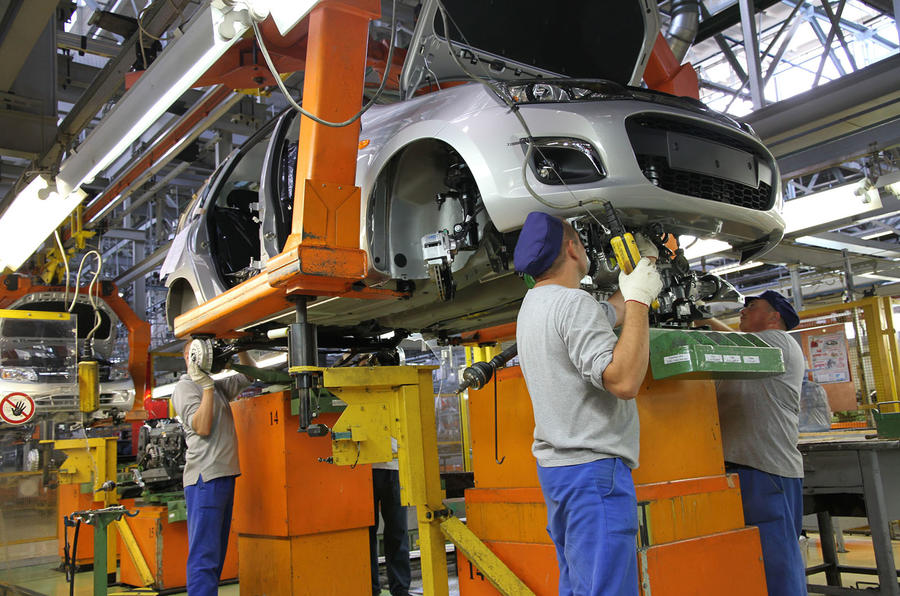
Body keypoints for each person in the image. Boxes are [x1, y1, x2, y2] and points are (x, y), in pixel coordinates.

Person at [514, 211, 662, 596]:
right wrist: (641, 301)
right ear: (572, 248)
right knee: (606, 588)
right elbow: (624, 381)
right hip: (593, 474)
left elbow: (608, 312)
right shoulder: (573, 304)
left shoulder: (534, 305)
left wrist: (641, 274)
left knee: (583, 585)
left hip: (560, 474)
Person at [699, 291, 806, 596]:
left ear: (775, 318)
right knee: (746, 564)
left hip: (766, 470)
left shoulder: (780, 342)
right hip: (736, 470)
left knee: (776, 563)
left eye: (753, 306)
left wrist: (702, 318)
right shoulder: (737, 359)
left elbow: (738, 343)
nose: (743, 311)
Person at [172, 343, 255, 596]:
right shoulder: (186, 387)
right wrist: (206, 386)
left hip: (222, 477)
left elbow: (249, 375)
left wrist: (242, 346)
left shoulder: (216, 386)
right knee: (204, 554)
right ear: (190, 356)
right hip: (204, 479)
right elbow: (202, 426)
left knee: (215, 552)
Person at [369, 442, 411, 596]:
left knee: (397, 529)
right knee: (366, 533)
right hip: (362, 465)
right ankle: (370, 587)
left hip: (395, 465)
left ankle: (400, 588)